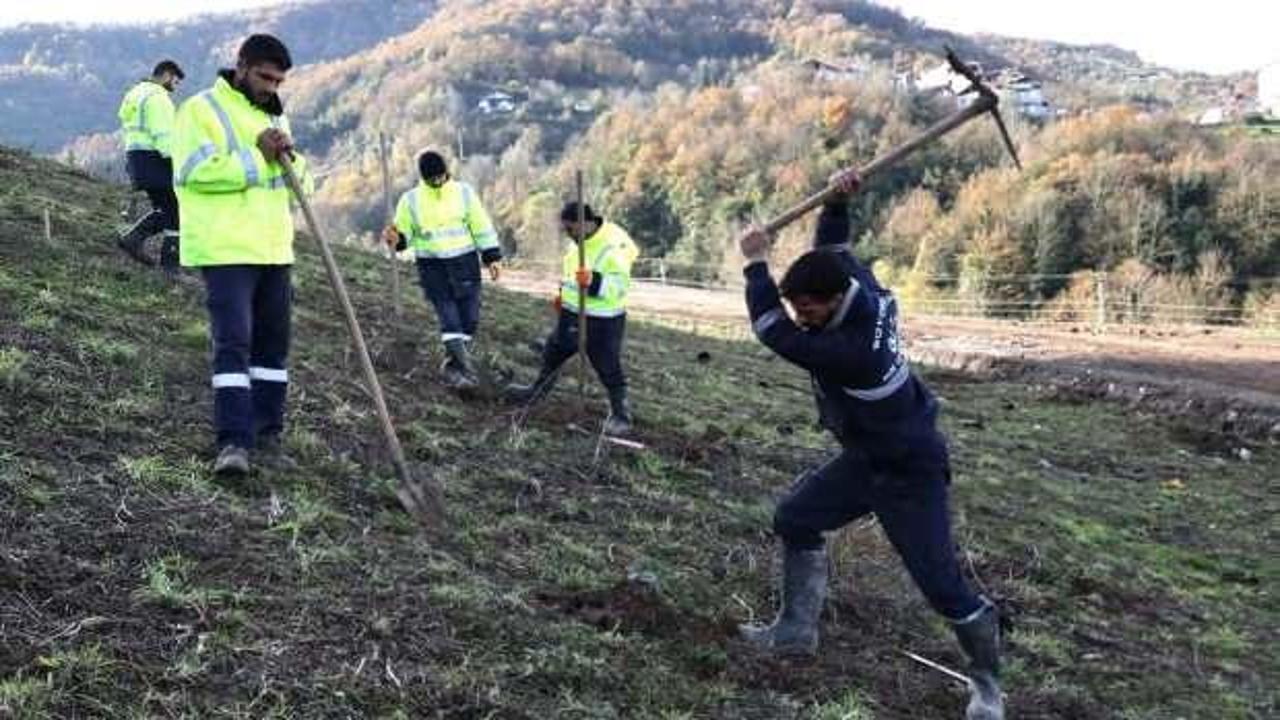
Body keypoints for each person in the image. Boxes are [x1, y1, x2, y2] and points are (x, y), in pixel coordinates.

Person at [735, 170, 1003, 720]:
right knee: (795, 518)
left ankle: (987, 687)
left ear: (833, 301)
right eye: (799, 307)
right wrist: (835, 199)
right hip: (867, 457)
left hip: (908, 470)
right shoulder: (862, 288)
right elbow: (833, 247)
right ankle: (794, 632)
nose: (801, 317)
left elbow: (769, 328)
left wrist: (755, 264)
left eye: (808, 309)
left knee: (941, 585)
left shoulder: (852, 349)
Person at [172, 34, 312, 476]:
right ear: (241, 65)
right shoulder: (200, 110)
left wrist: (291, 159)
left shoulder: (275, 116)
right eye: (264, 77)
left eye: (278, 80)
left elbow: (298, 181)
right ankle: (233, 442)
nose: (271, 87)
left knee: (274, 347)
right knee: (233, 343)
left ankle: (267, 434)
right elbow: (194, 172)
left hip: (273, 249)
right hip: (226, 248)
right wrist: (258, 156)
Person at [506, 202, 639, 435]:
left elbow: (621, 285)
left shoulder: (613, 244)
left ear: (585, 223)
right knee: (553, 350)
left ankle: (621, 416)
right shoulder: (576, 243)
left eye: (571, 229)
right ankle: (536, 392)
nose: (568, 234)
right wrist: (563, 296)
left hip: (603, 319)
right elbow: (570, 275)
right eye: (566, 229)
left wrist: (594, 281)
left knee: (607, 366)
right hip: (572, 313)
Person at [381, 151, 502, 388]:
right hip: (433, 267)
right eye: (431, 179)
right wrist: (396, 238)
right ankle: (469, 372)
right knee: (450, 320)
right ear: (423, 177)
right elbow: (404, 236)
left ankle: (454, 368)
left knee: (470, 319)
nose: (437, 181)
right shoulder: (410, 200)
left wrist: (492, 257)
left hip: (465, 264)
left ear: (447, 171)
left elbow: (481, 225)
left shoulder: (464, 193)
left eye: (440, 176)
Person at [116, 59, 185, 273]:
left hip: (137, 159)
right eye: (175, 81)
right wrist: (180, 161)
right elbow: (164, 138)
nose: (175, 86)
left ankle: (132, 239)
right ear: (166, 75)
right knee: (177, 211)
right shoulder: (158, 98)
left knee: (164, 208)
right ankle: (170, 267)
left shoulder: (135, 94)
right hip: (156, 160)